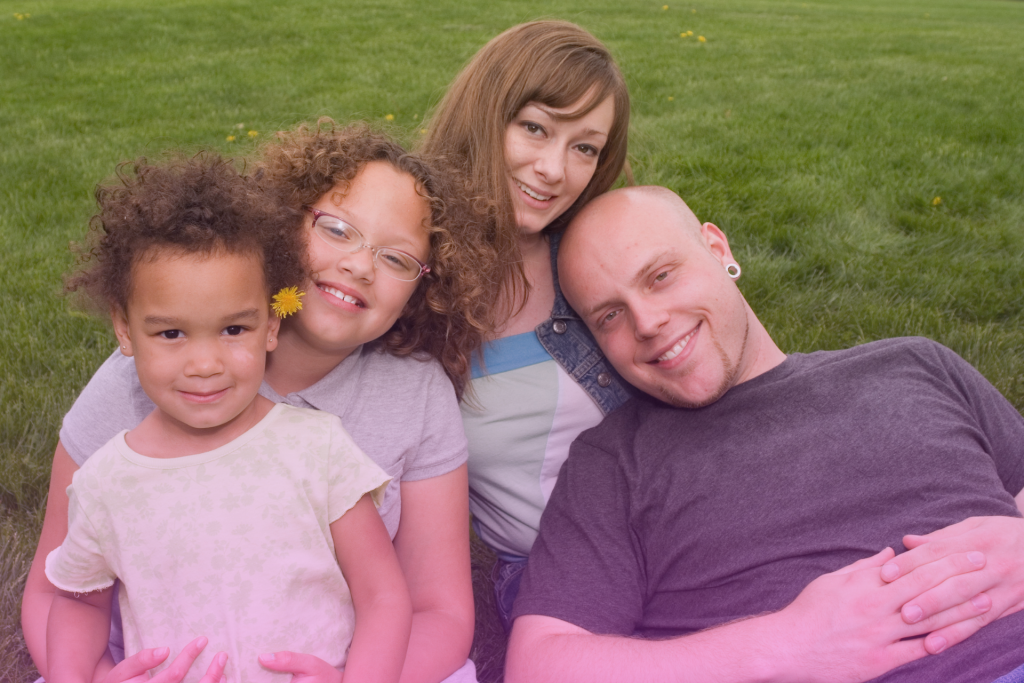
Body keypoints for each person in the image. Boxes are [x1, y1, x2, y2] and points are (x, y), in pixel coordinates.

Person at [23, 122, 497, 683]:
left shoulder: (406, 396)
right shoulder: (139, 382)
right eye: (338, 229)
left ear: (423, 286)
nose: (360, 265)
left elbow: (433, 611)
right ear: (280, 223)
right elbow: (57, 597)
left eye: (396, 259)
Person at [506, 186, 1024, 683]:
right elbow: (539, 667)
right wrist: (786, 644)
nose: (646, 321)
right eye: (609, 315)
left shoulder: (914, 364)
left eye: (660, 276)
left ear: (717, 248)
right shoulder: (613, 461)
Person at [421, 19, 634, 631]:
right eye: (535, 128)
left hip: (675, 534)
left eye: (584, 147)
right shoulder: (405, 274)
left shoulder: (601, 255)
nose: (553, 169)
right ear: (486, 116)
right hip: (553, 583)